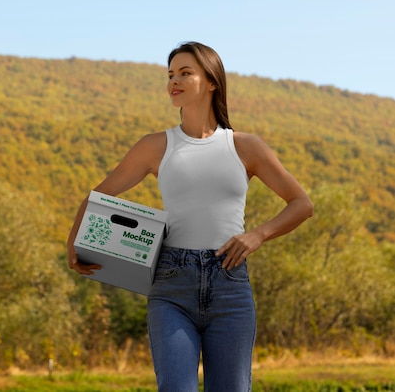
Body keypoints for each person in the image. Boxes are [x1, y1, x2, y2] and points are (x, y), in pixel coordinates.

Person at [67, 41, 313, 392]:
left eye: (185, 73)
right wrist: (73, 242)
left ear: (212, 81)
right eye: (170, 74)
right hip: (171, 283)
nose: (174, 81)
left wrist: (257, 235)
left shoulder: (245, 146)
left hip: (229, 283)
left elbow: (301, 203)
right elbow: (99, 196)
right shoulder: (155, 145)